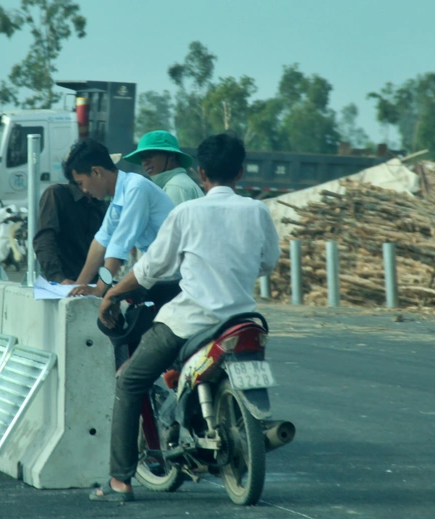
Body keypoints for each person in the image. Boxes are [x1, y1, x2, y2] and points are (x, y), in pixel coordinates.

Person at [89, 133, 281, 502]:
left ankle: (120, 481)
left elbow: (148, 270)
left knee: (129, 381)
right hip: (243, 318)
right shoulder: (257, 211)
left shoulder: (186, 213)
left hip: (189, 321)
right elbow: (268, 262)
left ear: (201, 173)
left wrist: (112, 293)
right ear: (240, 172)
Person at [62, 139, 176, 298]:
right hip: (162, 274)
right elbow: (101, 241)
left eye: (81, 183)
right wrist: (78, 286)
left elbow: (120, 244)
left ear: (96, 172)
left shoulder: (135, 188)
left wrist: (100, 288)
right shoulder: (118, 197)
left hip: (177, 278)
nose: (84, 190)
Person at [33, 179, 108, 285]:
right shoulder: (56, 194)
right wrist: (58, 278)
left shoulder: (100, 203)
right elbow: (44, 240)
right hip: (65, 282)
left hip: (94, 284)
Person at [123, 130, 203, 205]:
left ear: (171, 154)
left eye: (149, 155)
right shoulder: (178, 183)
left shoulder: (175, 187)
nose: (145, 162)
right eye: (142, 158)